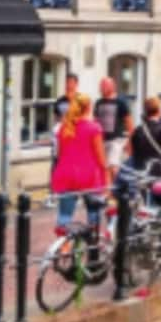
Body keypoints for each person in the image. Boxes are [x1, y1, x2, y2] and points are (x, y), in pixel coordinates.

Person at [51, 93, 109, 232]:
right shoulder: (93, 128)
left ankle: (63, 247)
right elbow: (101, 157)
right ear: (88, 108)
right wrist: (106, 177)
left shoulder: (64, 128)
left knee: (64, 216)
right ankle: (92, 246)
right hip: (88, 176)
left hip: (66, 174)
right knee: (93, 214)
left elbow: (58, 154)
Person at [92, 77, 132, 169]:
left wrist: (130, 141)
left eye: (104, 86)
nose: (102, 88)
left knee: (113, 165)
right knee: (103, 166)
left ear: (113, 86)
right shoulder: (99, 102)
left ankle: (116, 183)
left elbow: (129, 123)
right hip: (102, 140)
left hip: (116, 140)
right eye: (101, 86)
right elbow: (95, 121)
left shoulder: (121, 102)